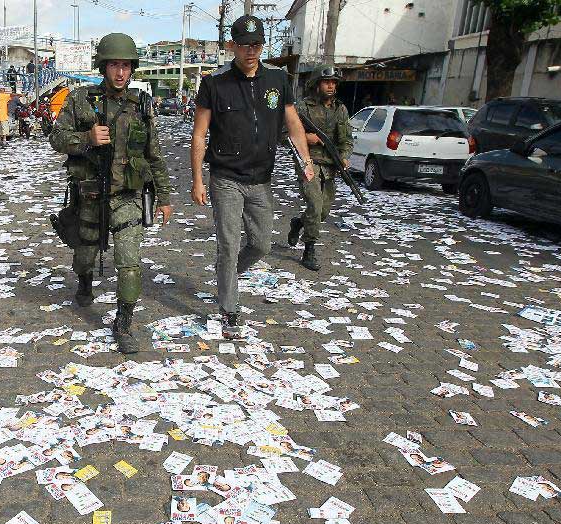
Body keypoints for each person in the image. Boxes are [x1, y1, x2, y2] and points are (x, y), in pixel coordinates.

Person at [190, 15, 313, 339]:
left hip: (260, 180)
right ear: (232, 46)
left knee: (260, 244)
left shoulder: (277, 79)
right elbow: (200, 134)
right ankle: (229, 309)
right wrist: (198, 179)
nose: (250, 51)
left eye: (256, 44)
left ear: (262, 45)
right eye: (244, 45)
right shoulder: (215, 83)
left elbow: (293, 123)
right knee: (228, 246)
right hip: (226, 178)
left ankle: (226, 275)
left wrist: (306, 160)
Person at [49, 32, 173, 354]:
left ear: (132, 69)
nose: (120, 72)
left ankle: (124, 322)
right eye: (114, 65)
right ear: (103, 67)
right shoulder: (80, 99)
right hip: (90, 194)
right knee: (85, 254)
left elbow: (154, 154)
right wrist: (87, 138)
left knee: (129, 262)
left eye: (126, 65)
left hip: (127, 196)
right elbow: (56, 139)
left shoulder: (141, 105)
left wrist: (165, 196)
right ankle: (85, 281)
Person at [286, 65, 353, 271]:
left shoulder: (340, 109)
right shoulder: (303, 108)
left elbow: (346, 140)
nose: (331, 86)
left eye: (334, 82)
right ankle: (309, 249)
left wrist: (343, 157)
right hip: (308, 161)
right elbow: (284, 134)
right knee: (314, 204)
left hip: (330, 165)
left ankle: (299, 223)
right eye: (326, 82)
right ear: (317, 84)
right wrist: (307, 137)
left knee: (322, 212)